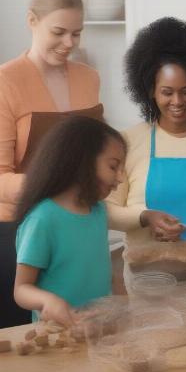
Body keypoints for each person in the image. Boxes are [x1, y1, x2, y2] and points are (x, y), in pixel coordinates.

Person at [0, 0, 103, 329]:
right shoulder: (2, 83)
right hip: (18, 233)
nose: (69, 44)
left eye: (77, 33)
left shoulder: (89, 78)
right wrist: (55, 184)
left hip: (74, 230)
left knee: (77, 340)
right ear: (32, 21)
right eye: (59, 32)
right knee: (21, 345)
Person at [106, 17, 186, 261]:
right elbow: (108, 210)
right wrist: (146, 218)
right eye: (167, 92)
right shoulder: (127, 142)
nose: (177, 102)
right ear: (151, 92)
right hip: (148, 276)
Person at [14, 116, 126, 327]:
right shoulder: (43, 219)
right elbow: (21, 290)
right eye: (113, 167)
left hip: (98, 327)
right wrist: (49, 301)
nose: (120, 177)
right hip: (59, 333)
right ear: (81, 162)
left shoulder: (99, 210)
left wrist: (123, 301)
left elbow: (99, 269)